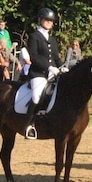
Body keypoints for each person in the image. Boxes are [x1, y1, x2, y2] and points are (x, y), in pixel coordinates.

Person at [24, 7, 62, 138]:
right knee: (36, 95)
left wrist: (63, 67)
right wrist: (49, 67)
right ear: (40, 20)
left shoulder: (52, 39)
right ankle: (29, 124)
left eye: (51, 20)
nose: (49, 22)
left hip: (53, 74)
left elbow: (56, 58)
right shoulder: (34, 36)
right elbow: (34, 56)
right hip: (38, 74)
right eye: (47, 20)